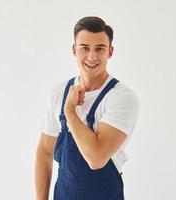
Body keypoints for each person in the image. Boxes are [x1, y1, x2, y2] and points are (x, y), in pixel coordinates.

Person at [35, 16, 139, 200]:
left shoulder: (121, 97)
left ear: (110, 52)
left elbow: (96, 158)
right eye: (85, 48)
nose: (92, 56)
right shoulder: (59, 92)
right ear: (74, 50)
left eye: (100, 48)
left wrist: (69, 111)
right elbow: (45, 151)